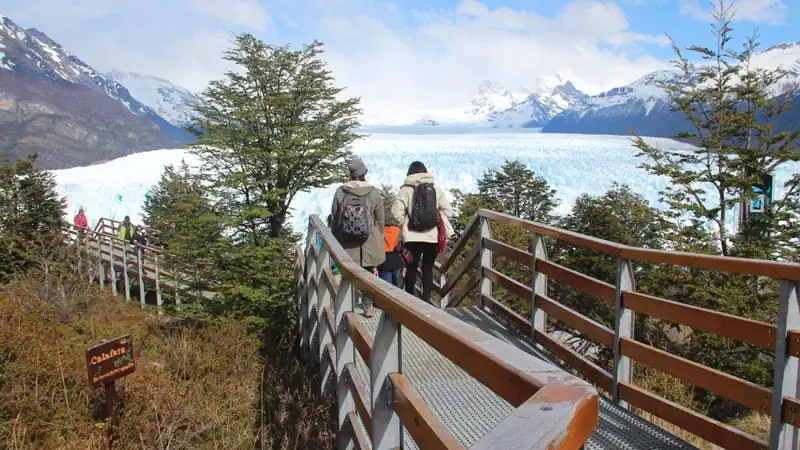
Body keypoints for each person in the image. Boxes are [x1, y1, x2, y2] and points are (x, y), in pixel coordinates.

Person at [392, 161, 453, 305]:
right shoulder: (435, 189)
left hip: (411, 236)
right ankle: (425, 301)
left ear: (409, 173)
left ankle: (409, 300)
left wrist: (406, 222)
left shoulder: (405, 190)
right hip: (432, 237)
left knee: (411, 267)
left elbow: (396, 212)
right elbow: (448, 212)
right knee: (428, 268)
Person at [331, 158, 384, 318]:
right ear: (363, 173)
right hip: (369, 242)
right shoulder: (373, 192)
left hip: (347, 241)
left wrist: (337, 238)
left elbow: (335, 216)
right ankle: (368, 306)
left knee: (348, 275)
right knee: (368, 275)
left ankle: (348, 308)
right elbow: (380, 219)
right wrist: (377, 236)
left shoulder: (341, 191)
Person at [316, 215, 342, 289]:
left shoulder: (321, 233)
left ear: (328, 222)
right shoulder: (339, 233)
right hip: (337, 267)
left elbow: (318, 248)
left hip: (324, 265)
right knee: (337, 290)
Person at [378, 217, 403, 288]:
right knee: (398, 288)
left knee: (387, 288)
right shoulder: (397, 230)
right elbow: (399, 247)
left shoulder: (380, 231)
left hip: (384, 262)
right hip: (396, 261)